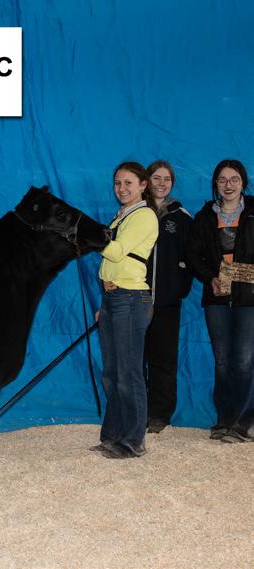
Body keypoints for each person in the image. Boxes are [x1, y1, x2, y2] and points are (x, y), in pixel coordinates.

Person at [92, 161, 158, 459]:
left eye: (128, 183)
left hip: (130, 299)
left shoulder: (144, 216)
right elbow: (112, 262)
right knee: (112, 373)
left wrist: (90, 235)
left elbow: (117, 252)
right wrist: (103, 300)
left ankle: (133, 440)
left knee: (129, 372)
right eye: (117, 183)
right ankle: (113, 434)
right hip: (112, 298)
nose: (121, 188)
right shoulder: (121, 216)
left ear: (143, 185)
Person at [186, 159, 254, 444]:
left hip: (249, 299)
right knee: (223, 361)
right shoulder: (203, 217)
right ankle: (224, 419)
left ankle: (245, 423)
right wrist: (210, 277)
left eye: (234, 179)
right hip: (215, 298)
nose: (228, 185)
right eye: (222, 179)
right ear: (215, 184)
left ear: (243, 183)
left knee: (245, 361)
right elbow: (192, 256)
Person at [143, 161, 193, 433]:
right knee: (135, 358)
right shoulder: (136, 212)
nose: (162, 183)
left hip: (166, 303)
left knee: (163, 359)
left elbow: (190, 257)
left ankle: (160, 415)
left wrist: (177, 288)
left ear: (172, 183)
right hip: (135, 300)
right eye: (156, 178)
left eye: (167, 179)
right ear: (147, 181)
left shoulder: (181, 217)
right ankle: (136, 410)